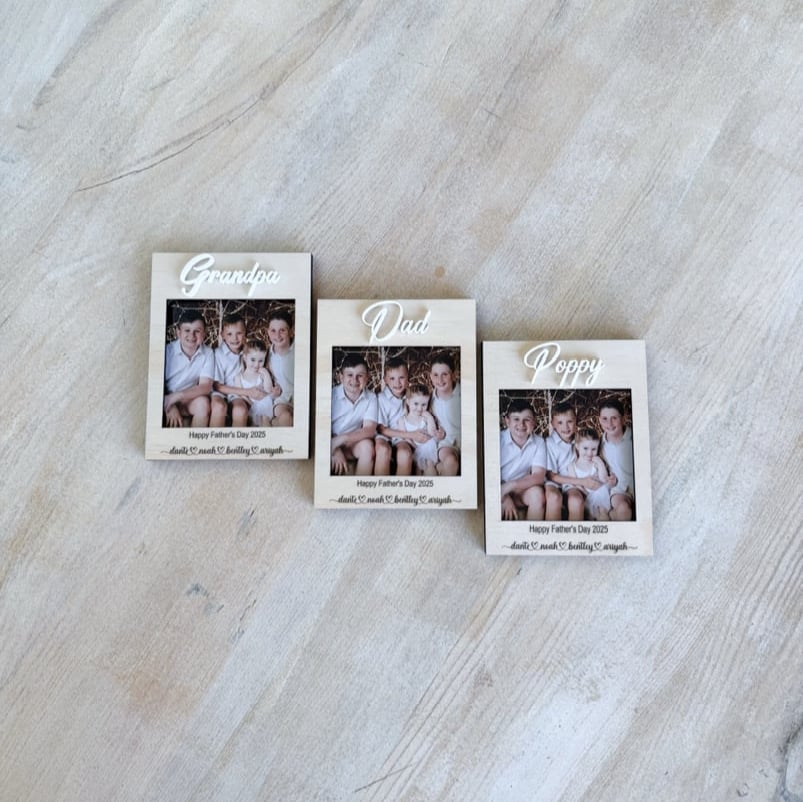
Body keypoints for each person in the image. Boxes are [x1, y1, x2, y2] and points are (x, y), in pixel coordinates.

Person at [163, 310, 214, 427]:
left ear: (204, 333)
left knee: (203, 404)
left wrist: (176, 397)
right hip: (164, 398)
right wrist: (170, 405)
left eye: (197, 331)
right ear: (178, 332)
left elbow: (205, 386)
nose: (191, 336)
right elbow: (155, 386)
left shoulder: (208, 353)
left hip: (187, 399)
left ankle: (195, 439)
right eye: (187, 330)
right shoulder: (167, 351)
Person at [330, 352, 378, 475]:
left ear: (367, 377)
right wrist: (335, 449)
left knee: (367, 447)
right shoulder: (331, 395)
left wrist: (341, 440)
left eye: (360, 375)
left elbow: (369, 430)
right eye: (350, 375)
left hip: (351, 442)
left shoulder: (371, 398)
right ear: (341, 377)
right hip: (329, 440)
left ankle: (359, 485)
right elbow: (320, 428)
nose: (354, 380)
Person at [499, 399, 547, 520]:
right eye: (516, 419)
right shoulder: (498, 439)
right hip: (497, 487)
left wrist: (511, 485)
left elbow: (538, 476)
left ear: (534, 422)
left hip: (520, 489)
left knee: (537, 495)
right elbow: (488, 476)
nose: (521, 425)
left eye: (527, 420)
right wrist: (504, 497)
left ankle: (531, 532)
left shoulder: (539, 442)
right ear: (507, 421)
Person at [544, 401, 586, 520]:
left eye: (570, 422)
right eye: (560, 422)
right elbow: (551, 476)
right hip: (553, 482)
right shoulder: (549, 443)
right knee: (554, 497)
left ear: (575, 421)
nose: (566, 427)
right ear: (553, 424)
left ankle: (576, 532)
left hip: (571, 482)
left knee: (576, 500)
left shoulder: (579, 441)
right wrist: (581, 481)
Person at [374, 357, 414, 476]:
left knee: (405, 454)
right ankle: (381, 486)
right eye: (392, 378)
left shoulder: (410, 397)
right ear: (385, 379)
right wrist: (411, 435)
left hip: (401, 437)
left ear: (408, 378)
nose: (397, 383)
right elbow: (381, 429)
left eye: (401, 378)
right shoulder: (381, 398)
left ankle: (400, 487)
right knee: (383, 450)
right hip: (383, 435)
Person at [210, 313, 250, 427]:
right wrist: (247, 392)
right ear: (222, 335)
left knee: (240, 410)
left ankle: (237, 438)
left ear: (245, 333)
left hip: (237, 393)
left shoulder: (247, 353)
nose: (234, 338)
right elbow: (217, 386)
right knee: (219, 406)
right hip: (218, 392)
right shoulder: (218, 354)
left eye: (239, 333)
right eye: (229, 334)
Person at [598, 397, 635, 520]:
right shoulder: (600, 444)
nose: (609, 424)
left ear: (623, 418)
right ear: (599, 420)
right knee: (623, 508)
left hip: (638, 487)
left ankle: (608, 516)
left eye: (614, 418)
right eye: (605, 419)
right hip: (619, 490)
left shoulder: (634, 437)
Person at [567, 428, 611, 521]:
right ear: (577, 446)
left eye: (594, 449)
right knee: (589, 515)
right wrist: (587, 495)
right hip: (585, 495)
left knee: (602, 513)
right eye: (585, 448)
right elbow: (576, 484)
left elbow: (604, 479)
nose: (589, 453)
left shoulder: (595, 463)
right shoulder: (572, 466)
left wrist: (600, 463)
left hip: (599, 494)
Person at [394, 384, 439, 476]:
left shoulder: (425, 417)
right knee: (417, 470)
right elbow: (405, 437)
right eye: (416, 404)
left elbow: (432, 433)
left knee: (429, 466)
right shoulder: (403, 420)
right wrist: (414, 447)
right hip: (414, 448)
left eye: (424, 405)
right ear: (408, 401)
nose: (419, 408)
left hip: (427, 448)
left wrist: (430, 418)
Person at [232, 339, 278, 426]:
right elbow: (241, 394)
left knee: (264, 420)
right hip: (250, 404)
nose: (256, 364)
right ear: (245, 357)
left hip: (263, 403)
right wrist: (251, 404)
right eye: (253, 360)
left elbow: (268, 390)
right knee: (252, 422)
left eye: (261, 361)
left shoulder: (262, 374)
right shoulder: (239, 377)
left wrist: (266, 373)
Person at [429, 352, 461, 476]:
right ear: (430, 376)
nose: (440, 380)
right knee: (451, 460)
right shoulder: (429, 399)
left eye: (445, 374)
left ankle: (439, 468)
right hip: (446, 443)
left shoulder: (463, 394)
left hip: (466, 442)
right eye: (436, 375)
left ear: (453, 375)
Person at [267, 309, 294, 427]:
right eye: (273, 331)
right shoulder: (267, 355)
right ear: (268, 332)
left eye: (282, 330)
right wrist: (272, 389)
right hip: (282, 399)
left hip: (301, 398)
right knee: (285, 416)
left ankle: (274, 424)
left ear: (291, 331)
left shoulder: (299, 350)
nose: (277, 336)